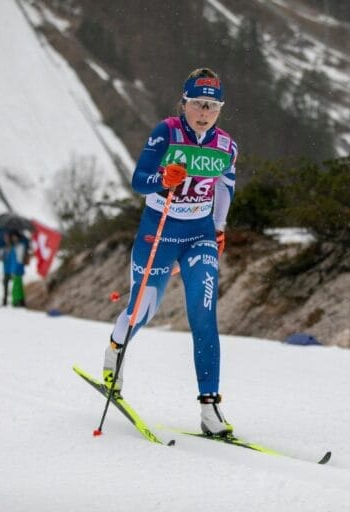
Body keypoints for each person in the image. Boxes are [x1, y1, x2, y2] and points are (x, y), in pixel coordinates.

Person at [102, 67, 238, 436]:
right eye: (197, 103)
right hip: (158, 233)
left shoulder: (226, 145)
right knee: (142, 309)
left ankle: (210, 409)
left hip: (199, 235)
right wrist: (162, 180)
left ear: (220, 109)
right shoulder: (167, 132)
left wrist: (220, 227)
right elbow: (138, 180)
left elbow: (225, 186)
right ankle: (116, 349)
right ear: (185, 102)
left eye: (212, 105)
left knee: (204, 312)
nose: (204, 111)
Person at [8, 231, 27, 307]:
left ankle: (17, 301)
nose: (14, 239)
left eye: (15, 237)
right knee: (17, 285)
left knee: (17, 286)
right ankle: (19, 300)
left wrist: (15, 269)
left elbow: (19, 259)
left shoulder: (20, 246)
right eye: (13, 237)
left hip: (18, 268)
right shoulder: (14, 247)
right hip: (14, 268)